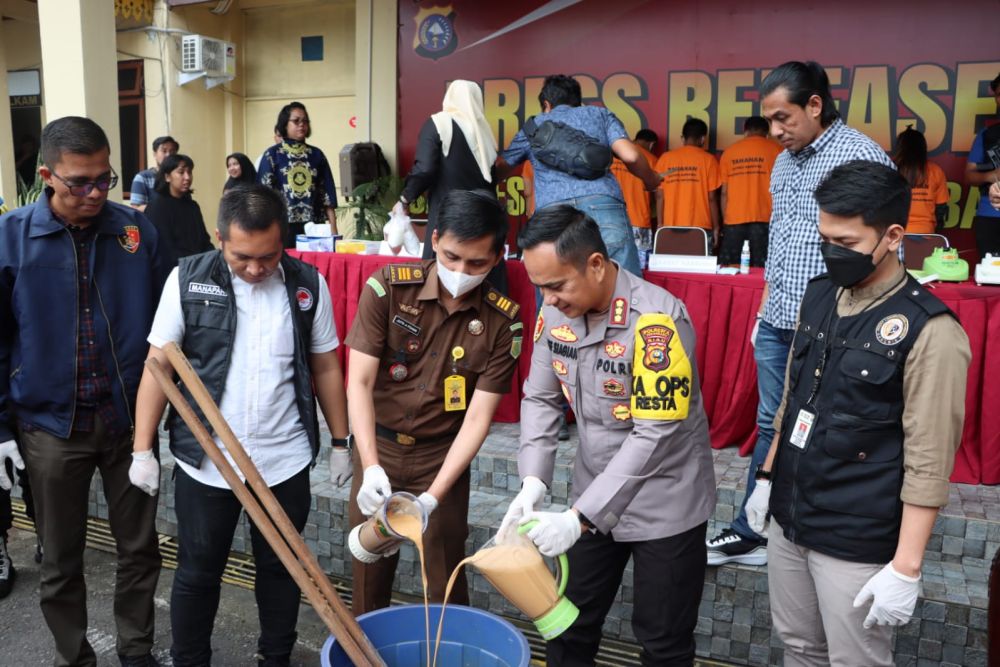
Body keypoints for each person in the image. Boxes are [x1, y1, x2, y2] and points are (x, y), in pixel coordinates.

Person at [744, 160, 970, 665]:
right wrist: (764, 477)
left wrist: (906, 567)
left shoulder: (930, 329)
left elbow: (929, 459)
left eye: (846, 243)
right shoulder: (820, 293)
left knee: (855, 660)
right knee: (799, 646)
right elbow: (792, 401)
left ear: (892, 235)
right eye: (825, 238)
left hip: (854, 533)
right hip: (790, 514)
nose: (831, 253)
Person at [129, 184, 350, 667]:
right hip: (207, 461)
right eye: (241, 257)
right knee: (197, 572)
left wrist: (340, 441)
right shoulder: (187, 280)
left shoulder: (307, 285)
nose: (255, 268)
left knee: (281, 569)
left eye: (268, 256)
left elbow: (326, 366)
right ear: (219, 239)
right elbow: (158, 367)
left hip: (282, 458)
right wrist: (142, 450)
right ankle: (190, 661)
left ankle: (275, 659)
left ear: (282, 240)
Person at [505, 205, 716, 666]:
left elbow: (655, 434)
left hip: (666, 501)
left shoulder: (657, 320)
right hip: (594, 491)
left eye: (557, 285)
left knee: (663, 642)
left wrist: (578, 518)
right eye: (540, 287)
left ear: (596, 264)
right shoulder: (555, 313)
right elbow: (540, 398)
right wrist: (533, 481)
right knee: (566, 623)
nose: (549, 298)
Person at [706, 61, 893, 567]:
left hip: (834, 325)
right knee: (771, 422)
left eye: (783, 118)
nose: (775, 131)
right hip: (778, 319)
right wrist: (765, 311)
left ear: (815, 105)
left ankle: (804, 530)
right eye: (768, 120)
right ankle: (754, 530)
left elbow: (879, 249)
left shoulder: (860, 156)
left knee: (821, 425)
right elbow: (783, 242)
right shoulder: (783, 162)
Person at [0, 116, 170, 666]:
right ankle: (74, 657)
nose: (97, 192)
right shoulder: (11, 240)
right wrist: (0, 429)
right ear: (47, 175)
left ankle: (137, 650)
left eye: (105, 178)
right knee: (60, 559)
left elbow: (172, 326)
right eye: (81, 182)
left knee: (140, 550)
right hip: (49, 428)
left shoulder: (134, 233)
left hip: (128, 425)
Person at [343, 189, 521, 614]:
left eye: (477, 263)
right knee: (368, 574)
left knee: (443, 584)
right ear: (435, 240)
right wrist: (369, 467)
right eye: (452, 257)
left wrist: (433, 497)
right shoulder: (387, 289)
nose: (461, 271)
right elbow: (359, 383)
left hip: (442, 458)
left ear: (498, 257)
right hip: (379, 447)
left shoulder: (502, 321)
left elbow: (478, 418)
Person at [496, 74, 662, 277]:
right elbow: (631, 155)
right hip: (603, 206)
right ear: (578, 101)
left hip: (552, 214)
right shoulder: (599, 115)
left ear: (546, 104)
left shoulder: (533, 127)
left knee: (554, 291)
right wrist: (651, 180)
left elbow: (502, 167)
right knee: (624, 285)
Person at [395, 80, 508, 294]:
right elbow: (491, 178)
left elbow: (425, 168)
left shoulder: (438, 123)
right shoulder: (484, 132)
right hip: (483, 221)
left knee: (436, 284)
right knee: (486, 289)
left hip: (448, 219)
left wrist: (404, 199)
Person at [258, 102, 338, 247]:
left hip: (314, 229)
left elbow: (327, 195)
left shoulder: (317, 155)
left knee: (313, 268)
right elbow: (262, 197)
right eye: (296, 121)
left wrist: (333, 230)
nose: (301, 124)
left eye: (305, 121)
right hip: (281, 228)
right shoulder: (272, 155)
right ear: (284, 124)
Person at [718, 116, 782, 265]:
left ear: (745, 131)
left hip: (734, 220)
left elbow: (724, 193)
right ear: (768, 133)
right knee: (763, 270)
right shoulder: (778, 151)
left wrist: (724, 222)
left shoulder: (729, 152)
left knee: (730, 269)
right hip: (767, 219)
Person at [654, 118, 722, 249]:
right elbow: (712, 198)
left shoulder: (665, 159)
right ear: (703, 139)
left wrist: (660, 224)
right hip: (700, 227)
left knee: (672, 267)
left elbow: (659, 196)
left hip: (670, 226)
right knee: (699, 268)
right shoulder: (709, 160)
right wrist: (716, 227)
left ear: (682, 138)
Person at [145, 153, 213, 264]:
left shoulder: (193, 206)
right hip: (173, 271)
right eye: (181, 172)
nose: (187, 177)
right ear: (167, 177)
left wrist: (212, 259)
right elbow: (164, 248)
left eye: (189, 172)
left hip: (197, 268)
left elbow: (204, 241)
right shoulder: (157, 206)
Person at [610, 129, 659, 267]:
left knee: (611, 264)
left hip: (612, 218)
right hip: (639, 220)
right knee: (640, 268)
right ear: (651, 144)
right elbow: (657, 193)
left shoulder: (613, 156)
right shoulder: (651, 160)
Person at [965, 72, 1000, 257]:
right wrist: (993, 174)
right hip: (990, 216)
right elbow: (969, 175)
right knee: (991, 277)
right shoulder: (987, 135)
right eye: (999, 95)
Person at [893, 126, 948, 235]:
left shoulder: (891, 169)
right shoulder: (935, 171)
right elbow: (941, 208)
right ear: (923, 147)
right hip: (926, 233)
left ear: (900, 147)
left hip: (896, 233)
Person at [130, 135, 179, 211]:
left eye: (172, 151)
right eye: (164, 151)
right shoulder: (143, 178)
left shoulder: (180, 177)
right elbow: (135, 210)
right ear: (155, 154)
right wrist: (162, 205)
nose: (168, 155)